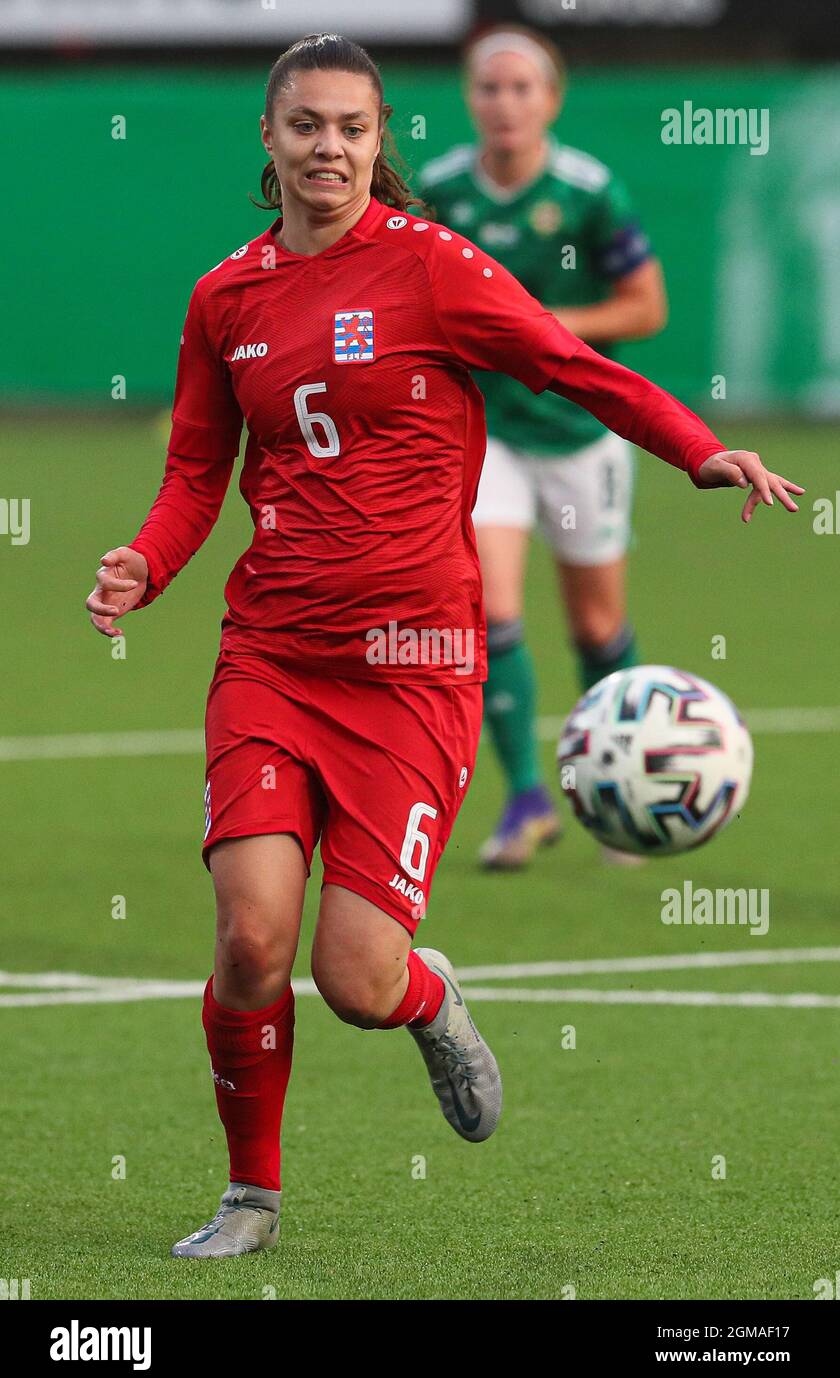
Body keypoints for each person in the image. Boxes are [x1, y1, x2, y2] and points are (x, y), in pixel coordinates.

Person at [85, 32, 803, 1260]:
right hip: (271, 654)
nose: (329, 147)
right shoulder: (225, 298)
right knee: (251, 935)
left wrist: (699, 447)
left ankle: (427, 993)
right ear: (268, 137)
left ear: (380, 140)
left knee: (357, 978)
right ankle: (249, 1198)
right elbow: (198, 473)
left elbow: (570, 365)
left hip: (414, 668)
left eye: (353, 128)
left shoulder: (433, 268)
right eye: (306, 125)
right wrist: (146, 562)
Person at [418, 25, 668, 868]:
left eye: (524, 88)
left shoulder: (590, 192)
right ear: (471, 101)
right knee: (489, 612)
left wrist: (549, 329)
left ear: (552, 101)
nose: (505, 103)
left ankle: (620, 790)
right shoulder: (443, 190)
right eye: (490, 88)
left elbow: (645, 307)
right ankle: (526, 797)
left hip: (577, 434)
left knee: (597, 627)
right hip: (485, 435)